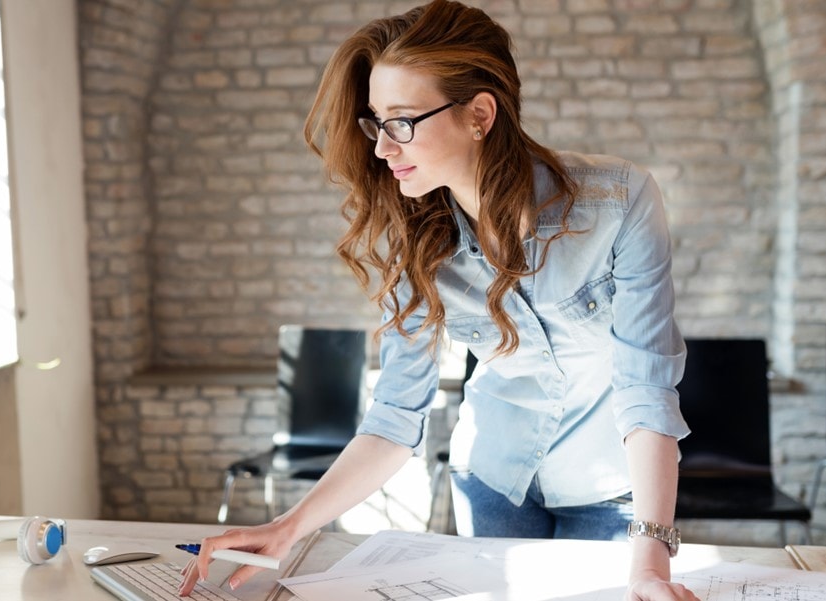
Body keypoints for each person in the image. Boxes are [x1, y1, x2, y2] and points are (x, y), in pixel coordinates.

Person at [180, 1, 697, 599]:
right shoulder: (418, 236)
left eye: (402, 121)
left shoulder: (619, 203)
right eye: (377, 121)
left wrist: (652, 565)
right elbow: (397, 417)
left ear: (479, 114)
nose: (381, 147)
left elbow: (646, 390)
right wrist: (288, 526)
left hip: (611, 488)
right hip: (492, 479)